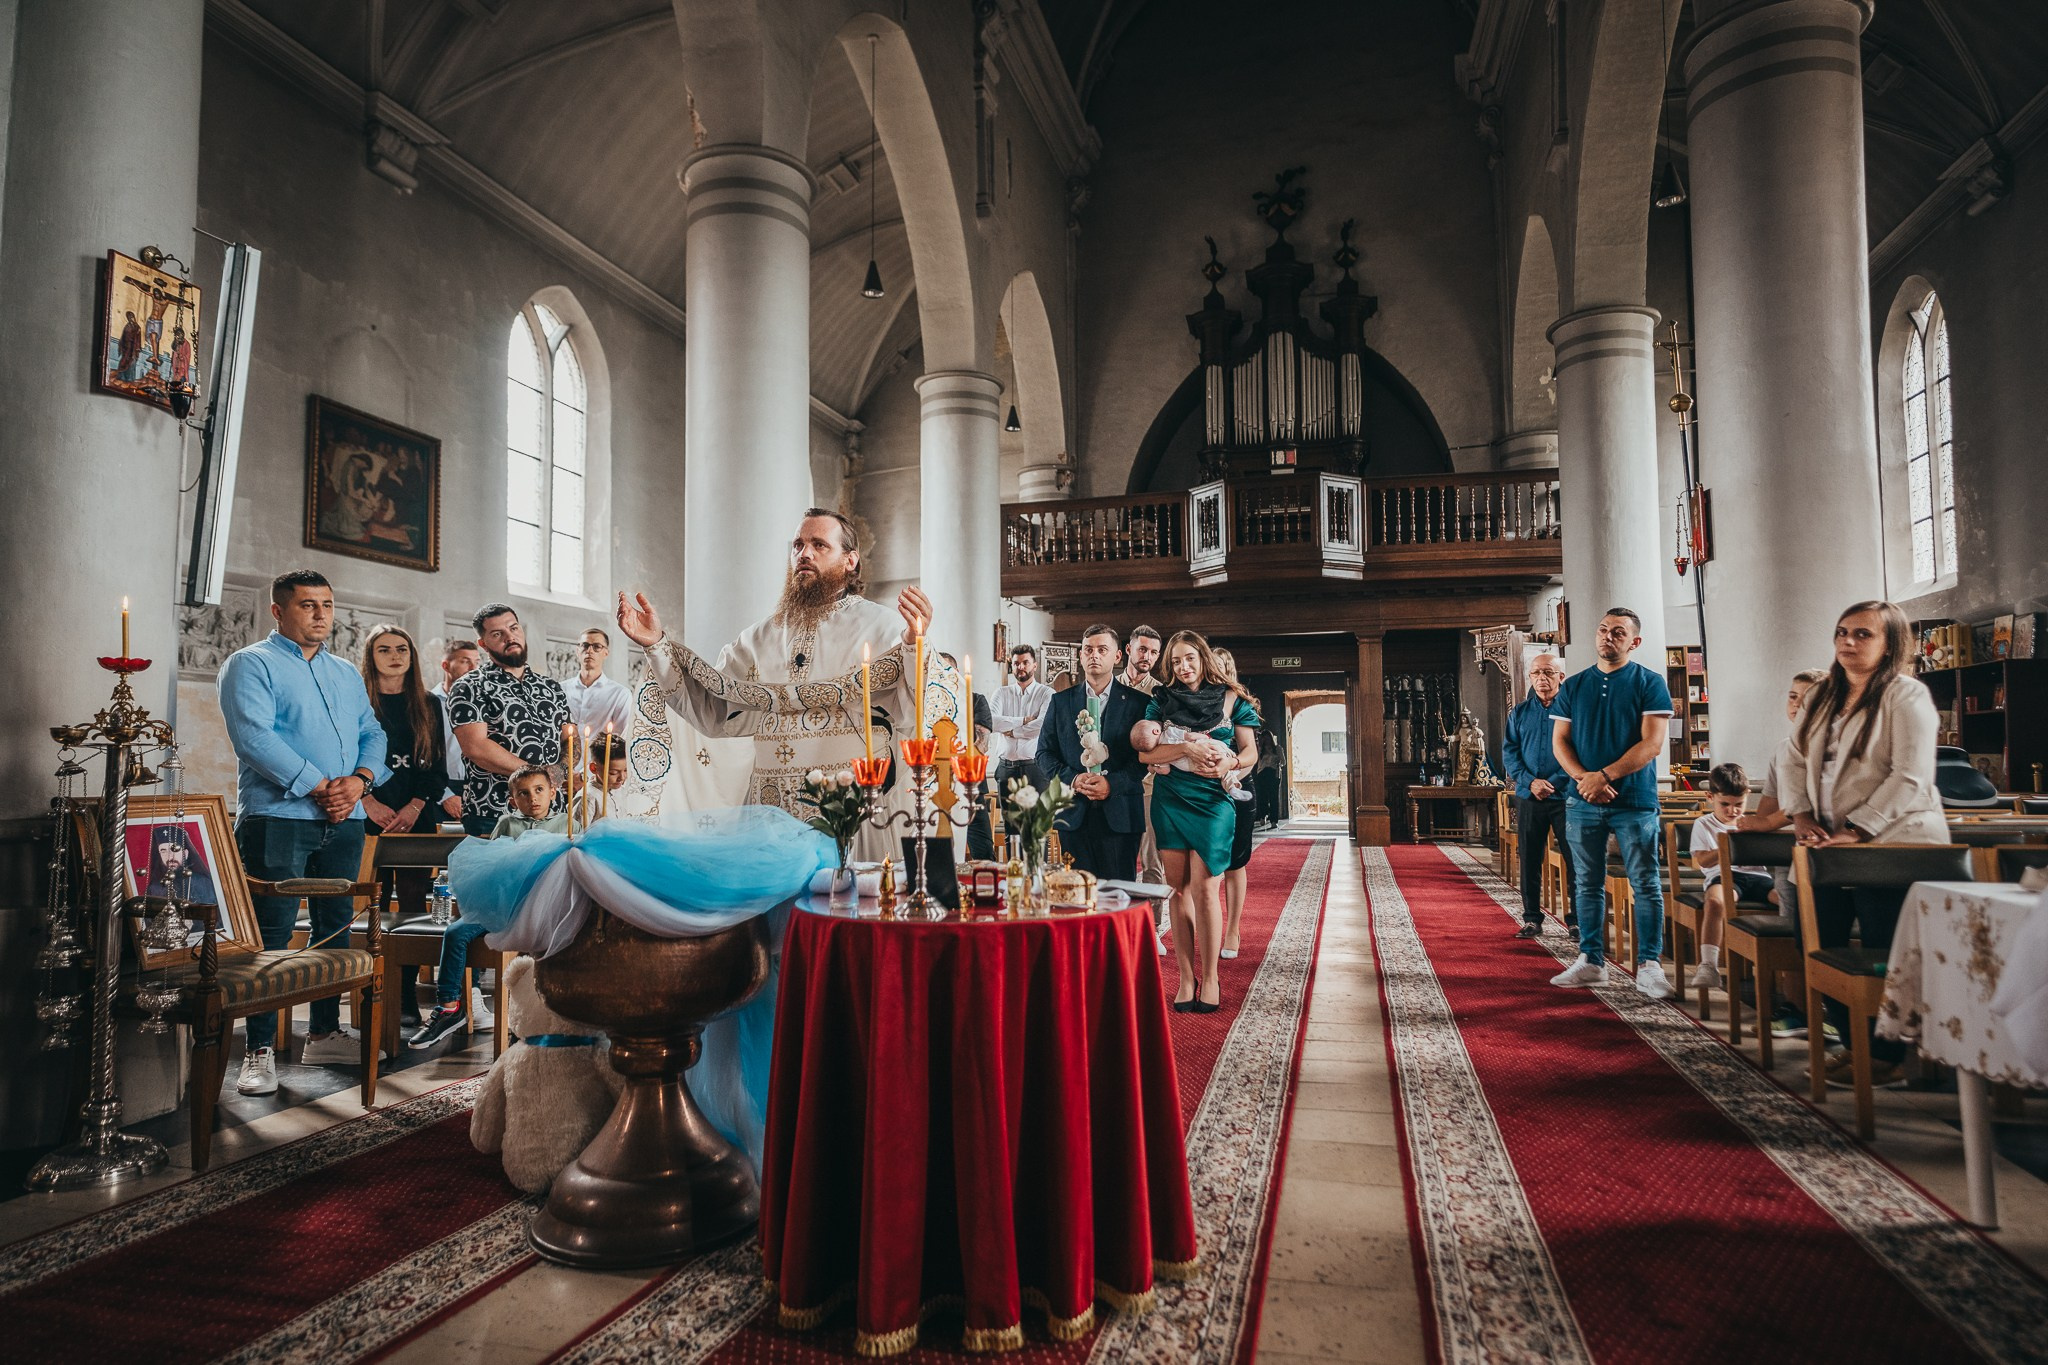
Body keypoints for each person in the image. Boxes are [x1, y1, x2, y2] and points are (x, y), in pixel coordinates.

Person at [616, 508, 939, 846]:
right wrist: (657, 647)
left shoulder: (884, 627)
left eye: (819, 545)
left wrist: (915, 646)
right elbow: (712, 711)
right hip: (770, 816)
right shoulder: (757, 638)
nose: (804, 554)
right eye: (797, 545)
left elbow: (915, 708)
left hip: (853, 811)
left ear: (850, 561)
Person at [217, 569, 390, 1096]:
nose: (321, 615)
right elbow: (253, 737)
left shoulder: (344, 673)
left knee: (334, 928)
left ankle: (322, 1031)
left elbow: (372, 733)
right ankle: (260, 1049)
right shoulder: (250, 664)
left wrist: (359, 783)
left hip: (345, 822)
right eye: (308, 605)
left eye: (327, 605)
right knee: (270, 935)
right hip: (278, 818)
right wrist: (321, 786)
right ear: (278, 611)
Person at [1779, 600, 1945, 1091]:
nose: (1848, 642)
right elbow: (1791, 758)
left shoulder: (1905, 695)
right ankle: (1854, 1045)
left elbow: (1910, 775)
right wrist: (1802, 814)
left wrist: (1859, 828)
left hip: (1890, 843)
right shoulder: (1823, 695)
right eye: (1842, 632)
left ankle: (1886, 1055)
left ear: (1890, 643)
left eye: (1863, 634)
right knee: (1815, 941)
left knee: (1881, 948)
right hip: (1826, 842)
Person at [1548, 607, 1677, 999]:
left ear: (1634, 642)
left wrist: (1603, 776)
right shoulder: (1574, 685)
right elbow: (1560, 742)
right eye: (1603, 629)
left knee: (1645, 882)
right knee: (1586, 882)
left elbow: (1651, 744)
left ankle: (1650, 965)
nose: (1608, 637)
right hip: (1582, 799)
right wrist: (1584, 780)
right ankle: (1590, 960)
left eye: (1618, 632)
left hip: (1633, 800)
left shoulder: (1649, 682)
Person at [1136, 630, 1260, 1013]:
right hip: (1171, 799)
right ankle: (1186, 977)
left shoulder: (1230, 698)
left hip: (1213, 801)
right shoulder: (1161, 699)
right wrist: (1186, 748)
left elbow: (1250, 751)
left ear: (1203, 658)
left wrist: (1231, 763)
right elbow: (1145, 754)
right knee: (1178, 889)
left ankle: (1210, 978)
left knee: (1206, 888)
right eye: (1175, 661)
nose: (1183, 666)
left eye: (1189, 658)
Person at [360, 624, 463, 1024]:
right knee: (372, 908)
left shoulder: (428, 703)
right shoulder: (359, 701)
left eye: (402, 648)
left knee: (415, 908)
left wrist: (416, 805)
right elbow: (346, 757)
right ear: (371, 656)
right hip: (370, 816)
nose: (394, 655)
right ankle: (374, 998)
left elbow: (435, 766)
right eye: (384, 649)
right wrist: (367, 801)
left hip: (416, 817)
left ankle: (404, 999)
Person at [449, 604, 575, 837]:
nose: (510, 637)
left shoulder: (551, 687)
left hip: (554, 813)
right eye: (498, 634)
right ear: (483, 644)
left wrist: (561, 769)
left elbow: (571, 738)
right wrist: (538, 778)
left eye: (513, 628)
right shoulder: (469, 686)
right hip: (495, 811)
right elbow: (476, 747)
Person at [1036, 625, 1149, 881]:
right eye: (1088, 650)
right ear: (1080, 656)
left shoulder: (1138, 703)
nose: (1094, 655)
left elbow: (1141, 760)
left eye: (1102, 650)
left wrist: (1112, 783)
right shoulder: (1060, 702)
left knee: (1120, 894)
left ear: (1117, 657)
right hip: (1073, 814)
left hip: (1120, 812)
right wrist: (1074, 779)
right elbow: (1043, 754)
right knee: (1077, 894)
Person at [1503, 652, 1575, 939]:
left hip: (1565, 797)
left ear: (1561, 677)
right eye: (1536, 673)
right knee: (1530, 859)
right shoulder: (1519, 713)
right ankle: (1532, 918)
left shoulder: (1572, 711)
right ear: (1529, 677)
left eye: (1548, 672)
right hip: (1529, 796)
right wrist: (1530, 781)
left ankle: (1576, 921)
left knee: (1574, 861)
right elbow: (1510, 753)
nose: (1541, 678)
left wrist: (1555, 783)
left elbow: (1580, 752)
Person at [1687, 762, 1775, 991]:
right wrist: (1728, 847)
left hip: (1758, 877)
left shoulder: (1753, 823)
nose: (1732, 811)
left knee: (1788, 900)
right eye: (1724, 804)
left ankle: (1791, 961)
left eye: (1738, 804)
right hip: (1723, 876)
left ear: (1747, 796)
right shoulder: (1704, 824)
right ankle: (1708, 964)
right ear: (1710, 797)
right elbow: (1702, 860)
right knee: (1716, 902)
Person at [1212, 647, 1260, 959]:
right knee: (1209, 864)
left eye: (1218, 667)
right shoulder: (1194, 701)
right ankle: (1209, 925)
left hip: (1238, 786)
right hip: (1204, 790)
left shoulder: (1239, 703)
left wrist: (1230, 776)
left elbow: (1249, 753)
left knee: (1235, 862)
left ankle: (1232, 929)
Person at [991, 643, 1054, 794]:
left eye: (1025, 662)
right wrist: (1023, 720)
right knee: (1009, 818)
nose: (1020, 667)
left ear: (1034, 666)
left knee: (1038, 818)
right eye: (1016, 663)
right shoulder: (1001, 693)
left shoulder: (1047, 693)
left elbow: (1042, 726)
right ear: (1012, 666)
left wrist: (1012, 732)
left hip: (1035, 768)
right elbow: (992, 722)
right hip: (1006, 768)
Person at [433, 639, 481, 806]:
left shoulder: (482, 704)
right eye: (465, 661)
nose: (474, 668)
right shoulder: (428, 703)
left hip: (478, 787)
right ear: (446, 666)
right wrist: (445, 795)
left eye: (477, 662)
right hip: (440, 787)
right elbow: (422, 754)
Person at [563, 626, 633, 736]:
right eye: (585, 645)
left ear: (606, 653)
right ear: (577, 651)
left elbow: (621, 738)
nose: (589, 651)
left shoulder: (620, 694)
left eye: (597, 646)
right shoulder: (560, 689)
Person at [143, 825, 219, 907]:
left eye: (174, 850)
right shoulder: (154, 888)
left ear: (185, 854)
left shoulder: (204, 883)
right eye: (163, 851)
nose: (170, 857)